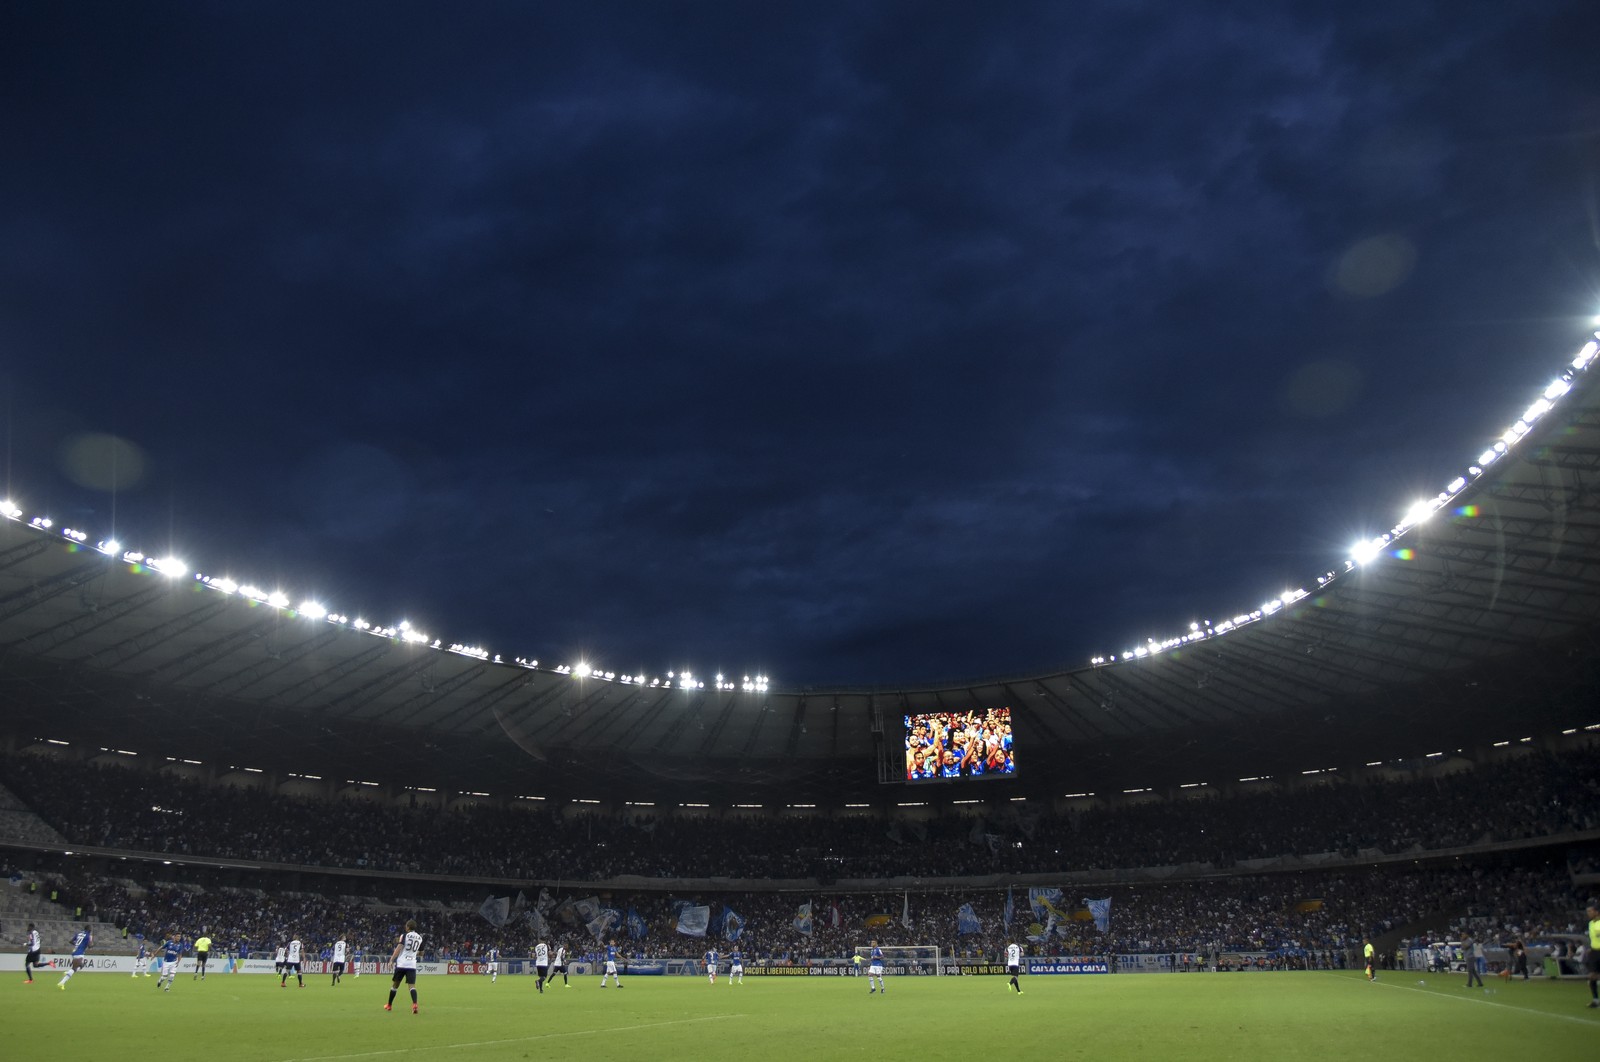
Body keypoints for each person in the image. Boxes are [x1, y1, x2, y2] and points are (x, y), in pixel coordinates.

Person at [385, 919, 423, 1014]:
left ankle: (389, 1005)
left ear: (408, 927)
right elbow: (421, 953)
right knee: (412, 987)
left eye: (406, 926)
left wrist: (391, 959)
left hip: (402, 964)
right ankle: (414, 1004)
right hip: (412, 965)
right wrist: (413, 953)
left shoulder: (404, 935)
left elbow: (399, 948)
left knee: (395, 985)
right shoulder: (420, 938)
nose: (405, 927)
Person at [1586, 901, 1600, 1009]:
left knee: (1594, 976)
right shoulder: (1590, 924)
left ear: (1597, 912)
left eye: (1590, 911)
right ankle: (1595, 1000)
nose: (1588, 913)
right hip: (1594, 952)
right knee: (1591, 977)